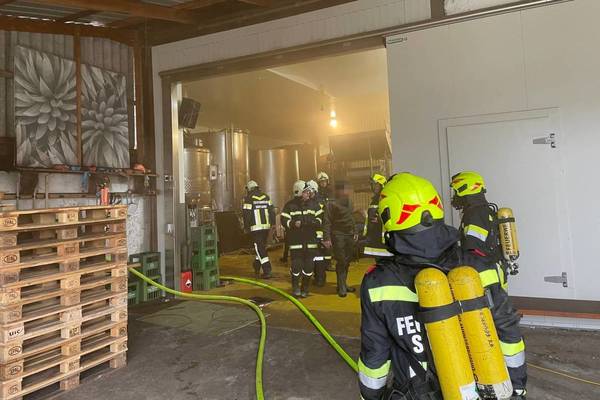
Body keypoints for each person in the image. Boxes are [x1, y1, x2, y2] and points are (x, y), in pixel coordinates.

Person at [359, 172, 527, 400]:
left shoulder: (378, 283)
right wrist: (517, 388)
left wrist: (370, 396)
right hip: (487, 391)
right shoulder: (480, 266)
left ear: (389, 217)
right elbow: (508, 334)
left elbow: (375, 356)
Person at [450, 171, 527, 398]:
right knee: (501, 328)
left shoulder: (475, 213)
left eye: (456, 190)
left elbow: (472, 248)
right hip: (495, 277)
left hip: (485, 282)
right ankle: (512, 380)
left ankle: (515, 384)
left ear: (465, 189)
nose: (454, 195)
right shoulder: (486, 210)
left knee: (501, 329)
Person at [281, 180, 323, 297]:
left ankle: (305, 287)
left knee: (309, 267)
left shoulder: (314, 204)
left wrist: (312, 222)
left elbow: (320, 219)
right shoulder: (290, 206)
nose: (308, 193)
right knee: (296, 266)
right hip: (296, 242)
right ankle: (295, 286)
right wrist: (293, 224)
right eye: (305, 191)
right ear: (298, 192)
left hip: (311, 242)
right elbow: (284, 220)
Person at [322, 180, 357, 297]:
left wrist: (355, 231)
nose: (347, 191)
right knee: (341, 260)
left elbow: (351, 217)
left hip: (349, 235)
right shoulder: (331, 204)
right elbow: (326, 221)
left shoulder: (348, 202)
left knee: (347, 260)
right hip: (338, 235)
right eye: (345, 189)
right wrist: (327, 238)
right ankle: (341, 286)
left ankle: (343, 284)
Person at [242, 180, 275, 279]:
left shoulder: (249, 199)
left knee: (259, 248)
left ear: (249, 189)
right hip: (266, 227)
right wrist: (273, 223)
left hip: (255, 228)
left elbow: (246, 214)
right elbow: (272, 211)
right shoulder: (266, 197)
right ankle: (256, 265)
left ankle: (267, 270)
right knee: (261, 247)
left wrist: (246, 227)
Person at [363, 173, 393, 259]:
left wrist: (379, 219)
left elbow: (390, 215)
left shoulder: (385, 198)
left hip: (382, 239)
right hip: (374, 237)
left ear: (382, 186)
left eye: (376, 185)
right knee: (378, 260)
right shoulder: (375, 199)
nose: (373, 187)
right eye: (373, 185)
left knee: (385, 260)